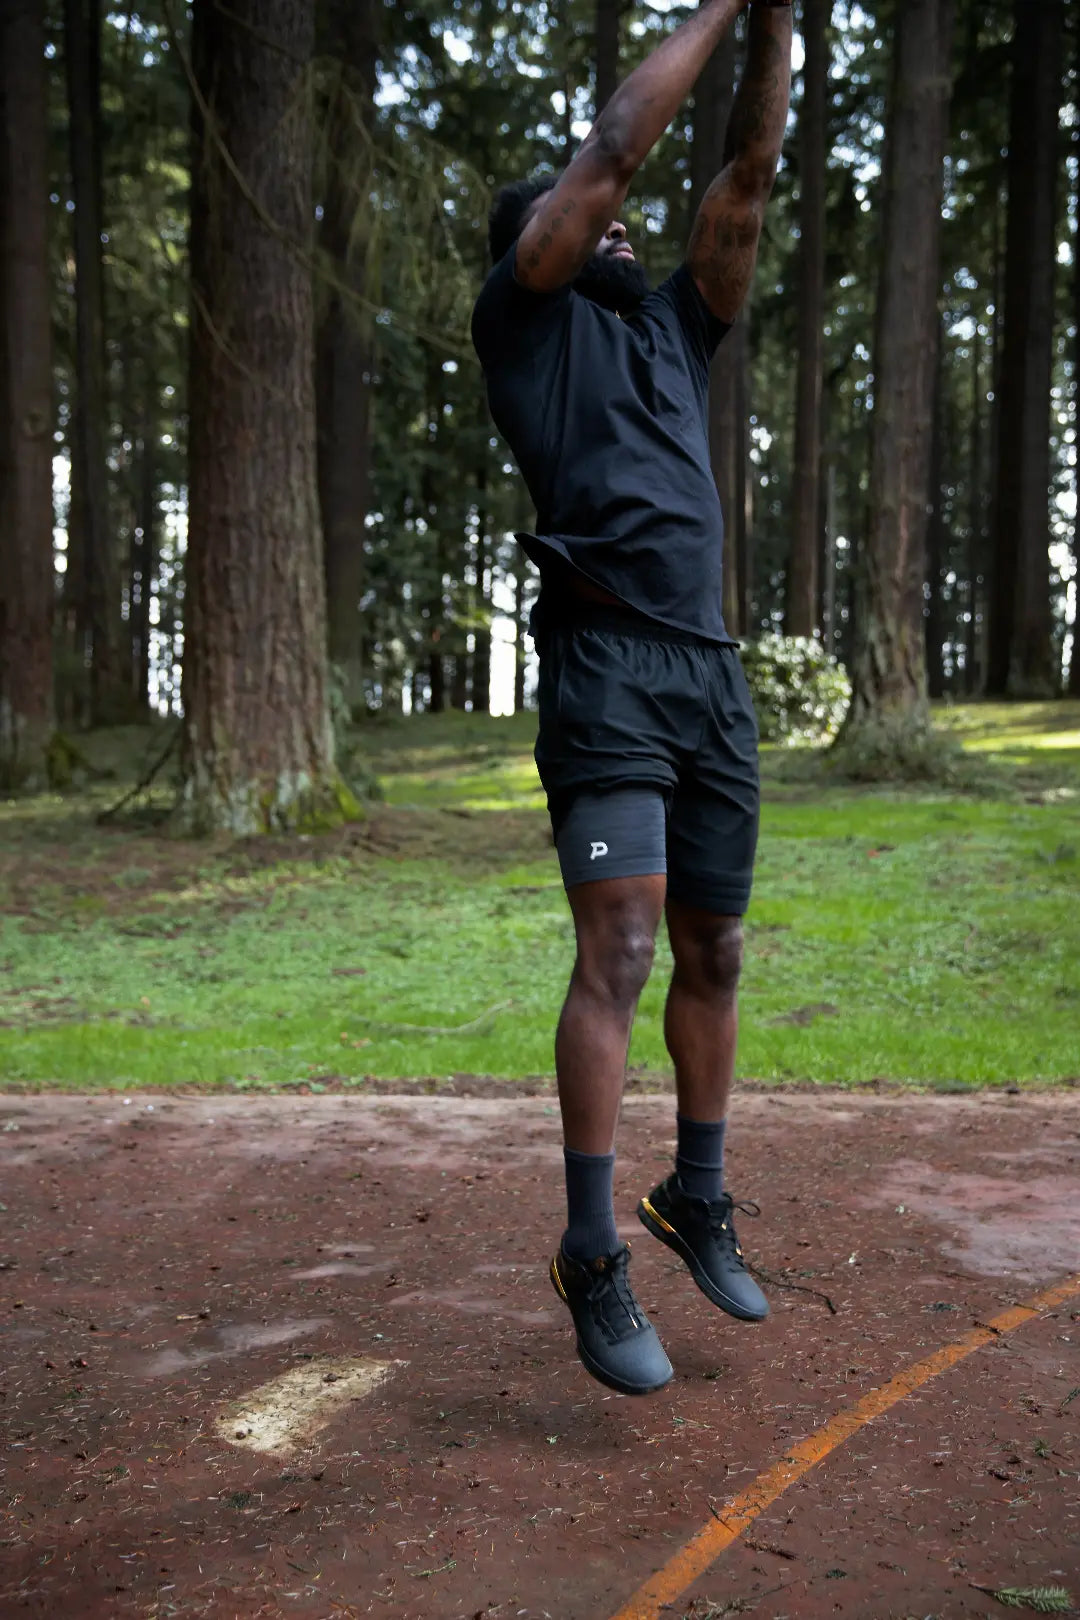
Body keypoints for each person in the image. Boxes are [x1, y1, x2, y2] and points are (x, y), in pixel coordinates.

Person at [471, 0, 793, 1396]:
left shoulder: (671, 327)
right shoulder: (526, 325)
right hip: (604, 669)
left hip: (707, 677)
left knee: (716, 955)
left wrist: (777, 24)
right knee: (622, 950)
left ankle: (696, 1195)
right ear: (534, 242)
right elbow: (613, 148)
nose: (610, 222)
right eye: (575, 215)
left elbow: (745, 174)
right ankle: (590, 1251)